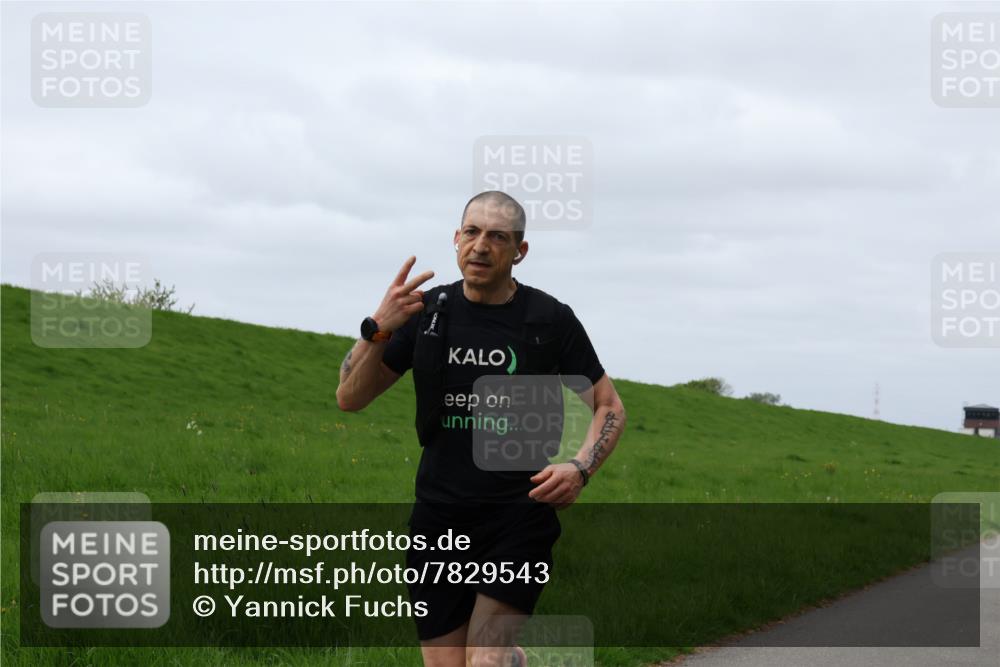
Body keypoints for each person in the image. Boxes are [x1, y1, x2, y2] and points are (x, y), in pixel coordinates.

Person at [336, 191, 626, 667]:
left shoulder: (549, 319)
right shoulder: (427, 313)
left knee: (484, 660)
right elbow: (350, 398)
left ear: (520, 251)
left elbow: (609, 406)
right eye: (471, 232)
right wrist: (378, 329)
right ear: (456, 238)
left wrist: (580, 468)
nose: (481, 246)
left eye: (498, 237)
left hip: (518, 515)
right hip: (438, 520)